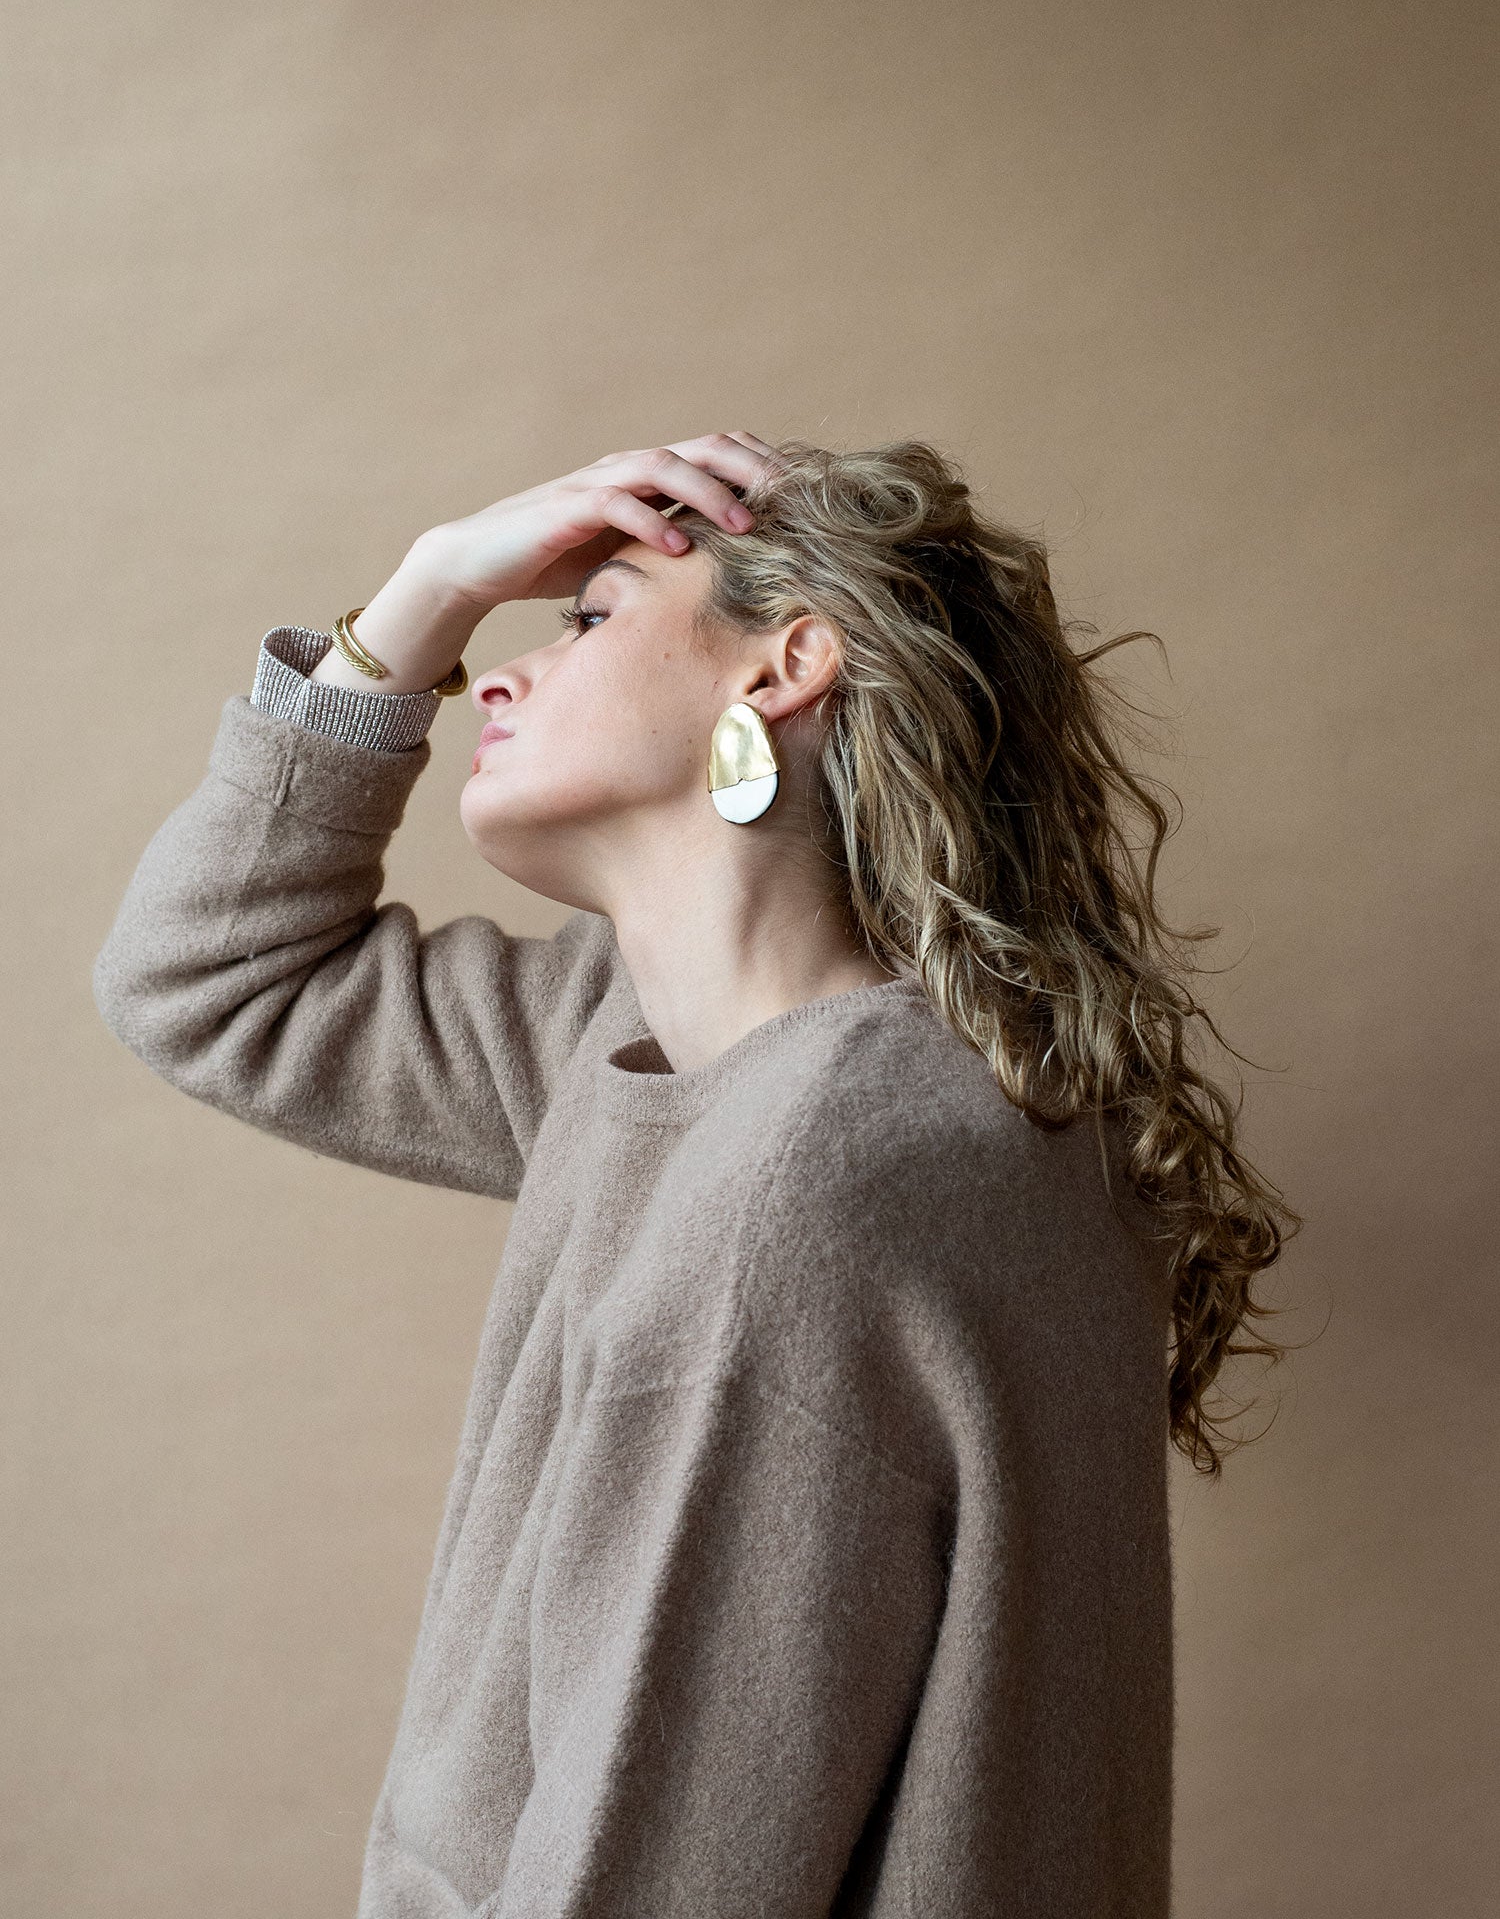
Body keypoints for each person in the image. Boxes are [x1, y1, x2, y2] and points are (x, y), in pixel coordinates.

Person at [92, 430, 1298, 1917]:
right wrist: (417, 598)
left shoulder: (809, 1180)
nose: (503, 675)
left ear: (782, 669)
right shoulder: (734, 1067)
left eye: (590, 618)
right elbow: (206, 981)